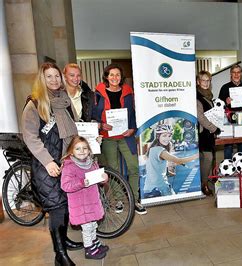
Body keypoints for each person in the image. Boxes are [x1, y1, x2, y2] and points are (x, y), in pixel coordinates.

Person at [22, 62, 81, 266]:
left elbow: (75, 128)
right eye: (49, 76)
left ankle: (64, 240)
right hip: (46, 165)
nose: (54, 80)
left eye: (57, 76)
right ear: (42, 79)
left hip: (66, 162)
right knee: (57, 208)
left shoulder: (65, 100)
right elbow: (30, 137)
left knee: (65, 205)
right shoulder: (35, 103)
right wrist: (48, 162)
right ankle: (60, 255)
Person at [94, 63, 147, 215]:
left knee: (134, 167)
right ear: (106, 76)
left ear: (121, 77)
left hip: (126, 136)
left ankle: (134, 199)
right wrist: (101, 125)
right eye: (111, 75)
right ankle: (117, 199)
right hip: (107, 137)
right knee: (113, 170)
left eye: (117, 75)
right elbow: (94, 114)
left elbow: (134, 113)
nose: (114, 78)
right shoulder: (98, 92)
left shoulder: (128, 91)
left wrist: (133, 128)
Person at [60, 136, 110, 259]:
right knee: (87, 228)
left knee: (93, 225)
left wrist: (104, 179)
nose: (82, 151)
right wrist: (81, 182)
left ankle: (94, 243)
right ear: (71, 151)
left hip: (92, 201)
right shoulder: (69, 166)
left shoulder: (92, 163)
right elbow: (65, 186)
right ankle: (89, 249)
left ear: (89, 150)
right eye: (78, 149)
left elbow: (99, 179)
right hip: (80, 205)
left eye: (85, 148)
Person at [143, 124, 199, 197]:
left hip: (148, 189)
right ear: (158, 136)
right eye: (164, 135)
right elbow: (178, 160)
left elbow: (153, 168)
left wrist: (168, 172)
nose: (167, 138)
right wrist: (196, 156)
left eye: (169, 136)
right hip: (160, 188)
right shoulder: (160, 150)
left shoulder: (151, 149)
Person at [218, 64, 242, 159]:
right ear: (230, 74)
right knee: (228, 144)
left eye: (238, 72)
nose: (236, 74)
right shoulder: (224, 87)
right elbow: (219, 104)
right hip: (228, 118)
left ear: (241, 74)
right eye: (234, 72)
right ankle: (228, 165)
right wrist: (225, 101)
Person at [196, 71, 221, 195]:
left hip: (207, 133)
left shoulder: (208, 95)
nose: (206, 83)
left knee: (204, 158)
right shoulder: (197, 97)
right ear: (198, 82)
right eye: (203, 80)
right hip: (202, 133)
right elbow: (200, 117)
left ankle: (202, 181)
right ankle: (204, 184)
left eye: (208, 80)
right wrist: (213, 128)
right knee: (208, 158)